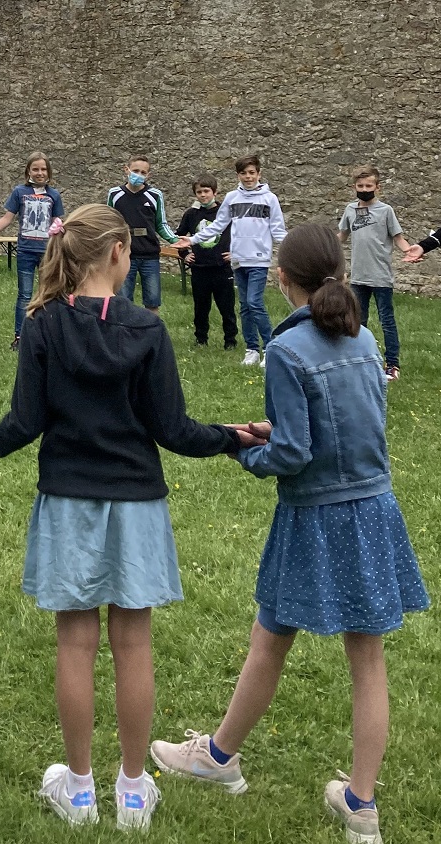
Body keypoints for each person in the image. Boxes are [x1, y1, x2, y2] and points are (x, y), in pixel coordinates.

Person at [0, 204, 257, 831]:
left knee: (74, 641)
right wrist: (233, 436)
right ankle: (131, 789)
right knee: (134, 643)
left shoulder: (42, 325)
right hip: (137, 504)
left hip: (68, 500)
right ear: (119, 253)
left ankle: (82, 788)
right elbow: (172, 429)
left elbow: (23, 423)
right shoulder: (145, 327)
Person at [150, 223, 429, 844]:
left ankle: (220, 760)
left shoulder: (287, 349)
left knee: (270, 637)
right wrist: (273, 431)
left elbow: (296, 452)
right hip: (373, 510)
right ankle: (359, 803)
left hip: (316, 516)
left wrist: (242, 451)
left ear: (282, 278)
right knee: (367, 660)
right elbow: (349, 431)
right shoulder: (362, 339)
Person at [174, 155, 287, 367]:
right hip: (238, 260)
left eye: (252, 172)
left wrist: (295, 248)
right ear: (238, 175)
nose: (248, 177)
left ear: (259, 174)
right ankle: (251, 349)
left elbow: (278, 230)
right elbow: (217, 226)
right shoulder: (232, 198)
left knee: (255, 302)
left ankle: (270, 348)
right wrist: (192, 239)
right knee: (244, 306)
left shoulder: (269, 198)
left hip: (259, 260)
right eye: (244, 173)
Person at [0, 152, 65, 350]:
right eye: (35, 169)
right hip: (25, 252)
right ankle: (20, 337)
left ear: (49, 172)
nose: (40, 173)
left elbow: (58, 223)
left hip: (46, 253)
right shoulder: (19, 192)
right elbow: (7, 218)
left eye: (43, 169)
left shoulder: (54, 195)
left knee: (48, 293)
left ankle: (47, 335)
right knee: (25, 294)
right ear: (28, 171)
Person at [337, 165, 412, 381]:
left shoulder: (386, 211)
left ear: (377, 187)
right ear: (354, 187)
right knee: (358, 321)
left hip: (381, 276)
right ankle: (361, 360)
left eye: (368, 185)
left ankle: (392, 364)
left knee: (386, 320)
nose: (364, 189)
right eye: (360, 186)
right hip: (358, 277)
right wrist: (324, 248)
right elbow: (341, 235)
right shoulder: (350, 210)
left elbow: (397, 237)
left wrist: (409, 250)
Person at [106, 155, 179, 315]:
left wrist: (175, 239)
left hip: (150, 255)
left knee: (152, 301)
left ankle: (152, 333)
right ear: (127, 170)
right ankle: (124, 334)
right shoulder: (114, 194)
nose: (138, 175)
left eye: (143, 172)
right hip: (125, 255)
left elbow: (161, 224)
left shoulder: (155, 195)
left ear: (148, 175)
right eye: (135, 171)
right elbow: (109, 222)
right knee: (123, 300)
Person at [175, 174, 238, 348]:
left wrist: (235, 253)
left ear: (215, 192)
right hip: (200, 268)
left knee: (227, 308)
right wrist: (185, 254)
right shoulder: (191, 214)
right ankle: (201, 338)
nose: (203, 195)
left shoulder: (226, 213)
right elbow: (178, 236)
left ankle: (230, 340)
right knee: (201, 308)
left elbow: (241, 234)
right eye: (199, 192)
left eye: (206, 191)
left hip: (222, 267)